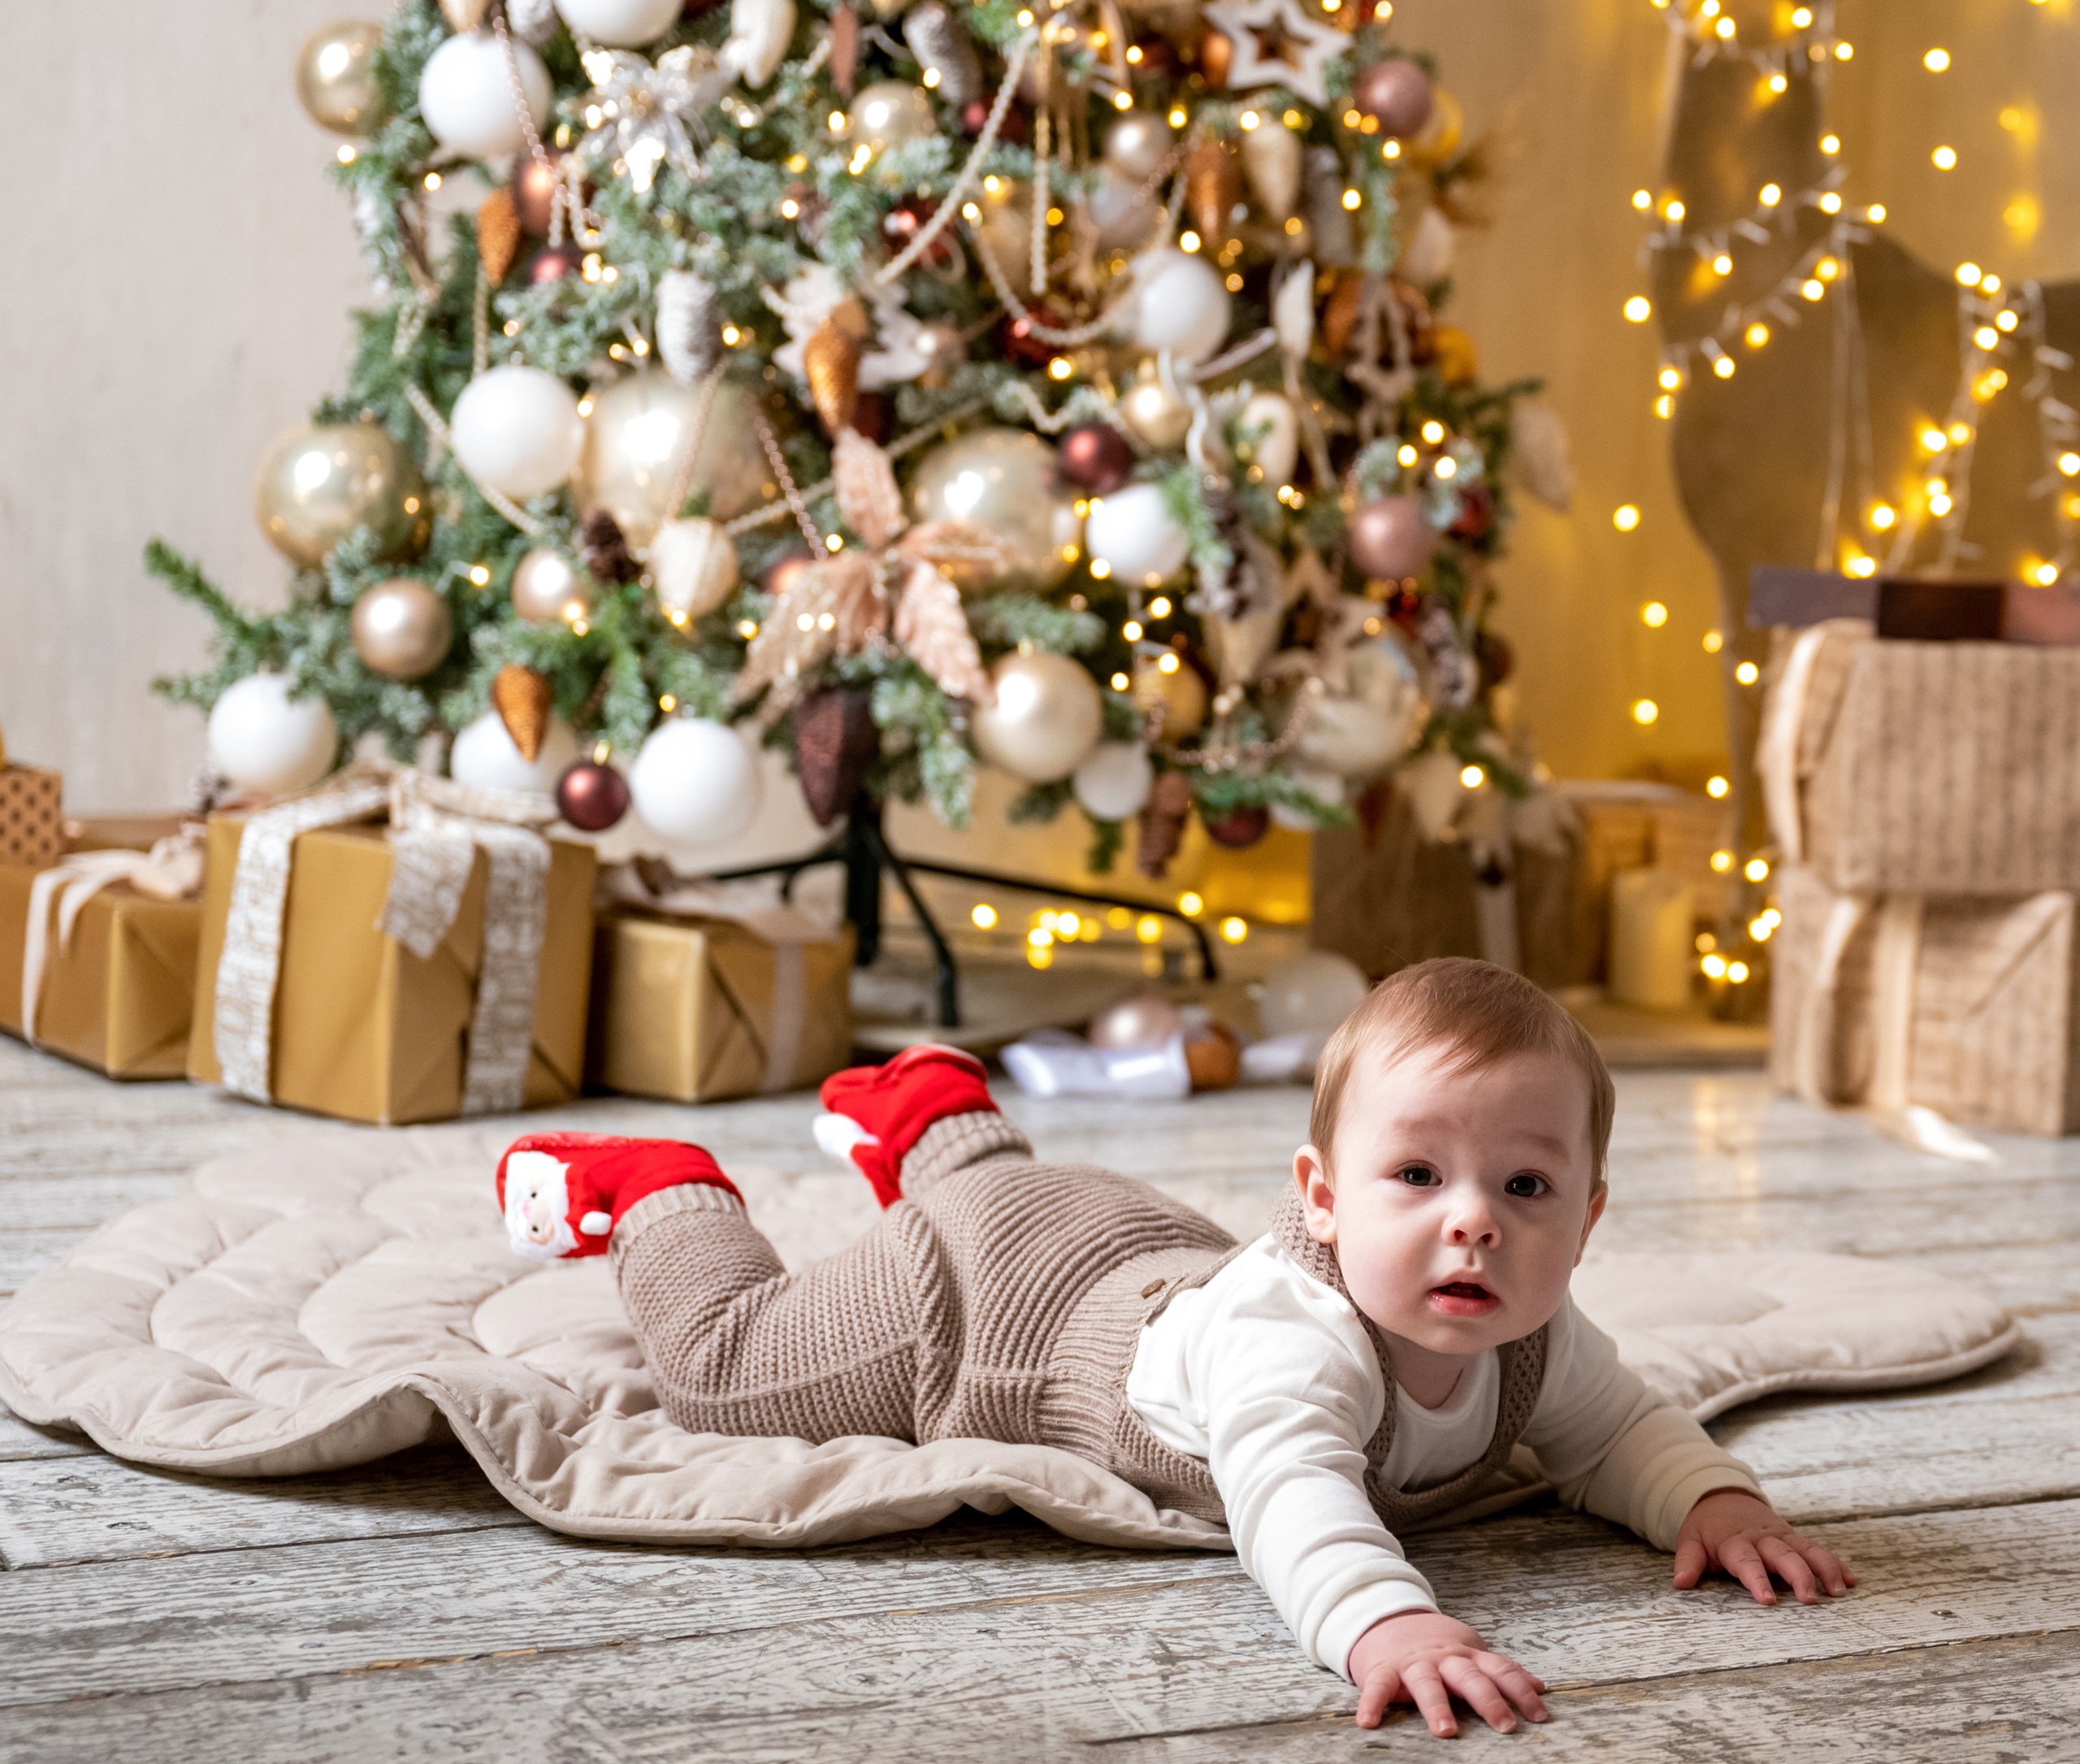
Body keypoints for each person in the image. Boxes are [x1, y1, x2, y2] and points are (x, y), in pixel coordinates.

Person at [496, 957, 1853, 1737]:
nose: (1474, 1229)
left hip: (1123, 1236)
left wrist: (1716, 1500)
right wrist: (1387, 1618)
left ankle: (931, 1114)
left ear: (1589, 1216)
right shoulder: (1295, 1345)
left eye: (1527, 1190)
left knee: (1000, 1185)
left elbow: (1621, 1429)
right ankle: (662, 1187)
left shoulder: (1534, 1336)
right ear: (1321, 1194)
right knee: (733, 1372)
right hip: (982, 1306)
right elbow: (1290, 1496)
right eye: (1419, 1177)